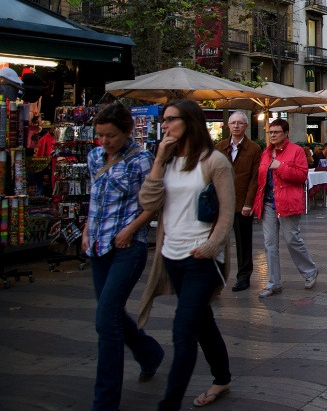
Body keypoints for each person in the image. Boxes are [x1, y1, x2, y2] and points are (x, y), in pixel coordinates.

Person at [137, 100, 235, 409]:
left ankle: (170, 403)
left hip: (201, 258)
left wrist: (211, 246)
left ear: (189, 121)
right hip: (172, 255)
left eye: (170, 119)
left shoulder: (215, 161)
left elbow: (227, 213)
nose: (164, 125)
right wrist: (157, 162)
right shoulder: (166, 161)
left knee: (183, 330)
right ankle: (222, 377)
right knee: (201, 321)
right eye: (163, 121)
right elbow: (148, 202)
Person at [82, 102, 163, 411]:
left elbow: (152, 206)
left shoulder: (142, 160)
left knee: (106, 321)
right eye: (100, 135)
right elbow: (96, 199)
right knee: (111, 313)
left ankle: (104, 402)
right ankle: (149, 353)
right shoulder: (94, 157)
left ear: (127, 131)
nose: (105, 141)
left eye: (111, 135)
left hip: (128, 249)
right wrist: (88, 230)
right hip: (98, 247)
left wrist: (130, 231)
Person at [253, 118, 317, 297]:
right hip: (268, 204)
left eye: (276, 132)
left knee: (292, 240)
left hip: (287, 202)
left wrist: (280, 166)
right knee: (269, 244)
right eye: (270, 132)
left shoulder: (296, 151)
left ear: (285, 133)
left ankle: (310, 271)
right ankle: (273, 282)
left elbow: (302, 175)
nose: (272, 135)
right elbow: (260, 179)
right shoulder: (265, 153)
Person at [215, 111, 261, 292]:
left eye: (240, 123)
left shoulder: (254, 149)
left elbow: (255, 178)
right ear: (228, 125)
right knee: (217, 242)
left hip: (242, 202)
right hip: (221, 202)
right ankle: (216, 279)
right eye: (233, 123)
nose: (236, 126)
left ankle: (243, 276)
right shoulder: (219, 147)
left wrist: (248, 203)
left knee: (243, 242)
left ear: (246, 126)